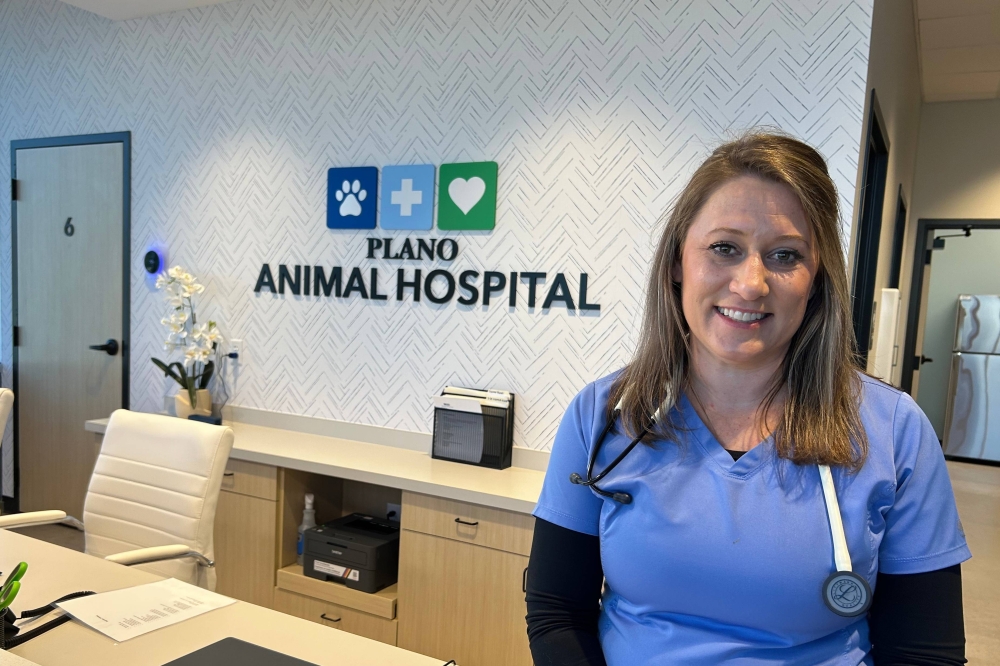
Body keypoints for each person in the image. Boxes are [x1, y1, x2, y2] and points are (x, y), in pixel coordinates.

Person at [525, 132, 970, 666]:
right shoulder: (605, 415)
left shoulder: (894, 432)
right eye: (724, 248)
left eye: (785, 255)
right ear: (677, 262)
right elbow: (557, 611)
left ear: (816, 279)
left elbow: (924, 655)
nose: (751, 283)